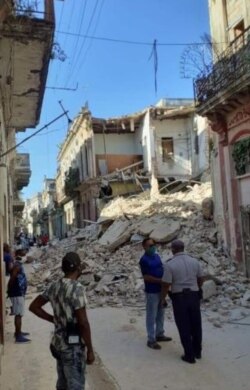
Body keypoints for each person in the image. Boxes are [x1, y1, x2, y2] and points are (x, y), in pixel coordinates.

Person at [29, 252, 95, 390]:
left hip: (58, 344)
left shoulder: (54, 286)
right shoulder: (77, 288)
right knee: (75, 385)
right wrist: (90, 349)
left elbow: (34, 307)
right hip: (73, 348)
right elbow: (83, 323)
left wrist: (55, 320)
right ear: (78, 268)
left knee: (62, 383)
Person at [161, 239, 204, 364]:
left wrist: (163, 298)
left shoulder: (170, 264)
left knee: (183, 325)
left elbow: (166, 284)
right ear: (183, 248)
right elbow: (201, 279)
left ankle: (189, 355)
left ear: (173, 249)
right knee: (196, 324)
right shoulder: (194, 261)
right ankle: (197, 352)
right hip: (194, 296)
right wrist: (197, 287)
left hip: (180, 297)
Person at [139, 238, 172, 349]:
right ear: (144, 247)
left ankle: (160, 334)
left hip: (161, 290)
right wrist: (160, 281)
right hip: (152, 291)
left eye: (154, 245)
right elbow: (146, 277)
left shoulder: (157, 256)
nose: (153, 247)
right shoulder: (144, 260)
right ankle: (151, 339)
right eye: (150, 245)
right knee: (151, 315)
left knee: (161, 313)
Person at [8, 249, 30, 343]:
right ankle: (18, 336)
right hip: (16, 292)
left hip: (19, 292)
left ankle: (18, 332)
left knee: (19, 314)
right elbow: (13, 278)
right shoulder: (17, 266)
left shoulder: (18, 265)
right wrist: (9, 290)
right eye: (24, 255)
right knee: (19, 314)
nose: (26, 257)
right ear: (19, 255)